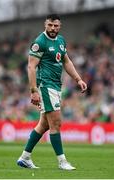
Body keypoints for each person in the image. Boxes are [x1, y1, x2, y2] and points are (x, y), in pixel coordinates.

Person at [17, 14, 87, 170]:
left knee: (44, 125)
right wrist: (33, 90)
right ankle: (62, 162)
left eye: (56, 26)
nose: (53, 28)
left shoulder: (61, 40)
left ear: (59, 26)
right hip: (45, 85)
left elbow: (66, 61)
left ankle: (24, 157)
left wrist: (78, 79)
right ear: (45, 25)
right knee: (56, 122)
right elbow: (31, 67)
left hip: (56, 86)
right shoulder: (40, 42)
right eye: (50, 25)